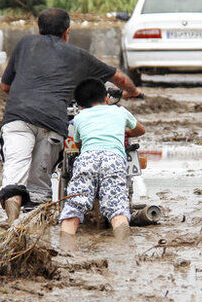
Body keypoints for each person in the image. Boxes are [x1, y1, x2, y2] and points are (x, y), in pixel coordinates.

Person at [0, 8, 142, 225]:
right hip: (52, 123)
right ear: (67, 32)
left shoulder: (24, 44)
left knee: (14, 170)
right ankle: (39, 232)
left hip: (18, 118)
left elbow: (4, 86)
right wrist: (134, 92)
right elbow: (120, 78)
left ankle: (11, 223)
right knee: (40, 184)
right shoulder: (79, 56)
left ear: (39, 29)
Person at [59, 78, 145, 239]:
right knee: (117, 208)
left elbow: (78, 143)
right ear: (107, 97)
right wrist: (124, 132)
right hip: (113, 159)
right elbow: (140, 130)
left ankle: (65, 249)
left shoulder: (79, 117)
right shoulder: (120, 111)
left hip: (87, 158)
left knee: (74, 207)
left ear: (80, 104)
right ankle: (122, 250)